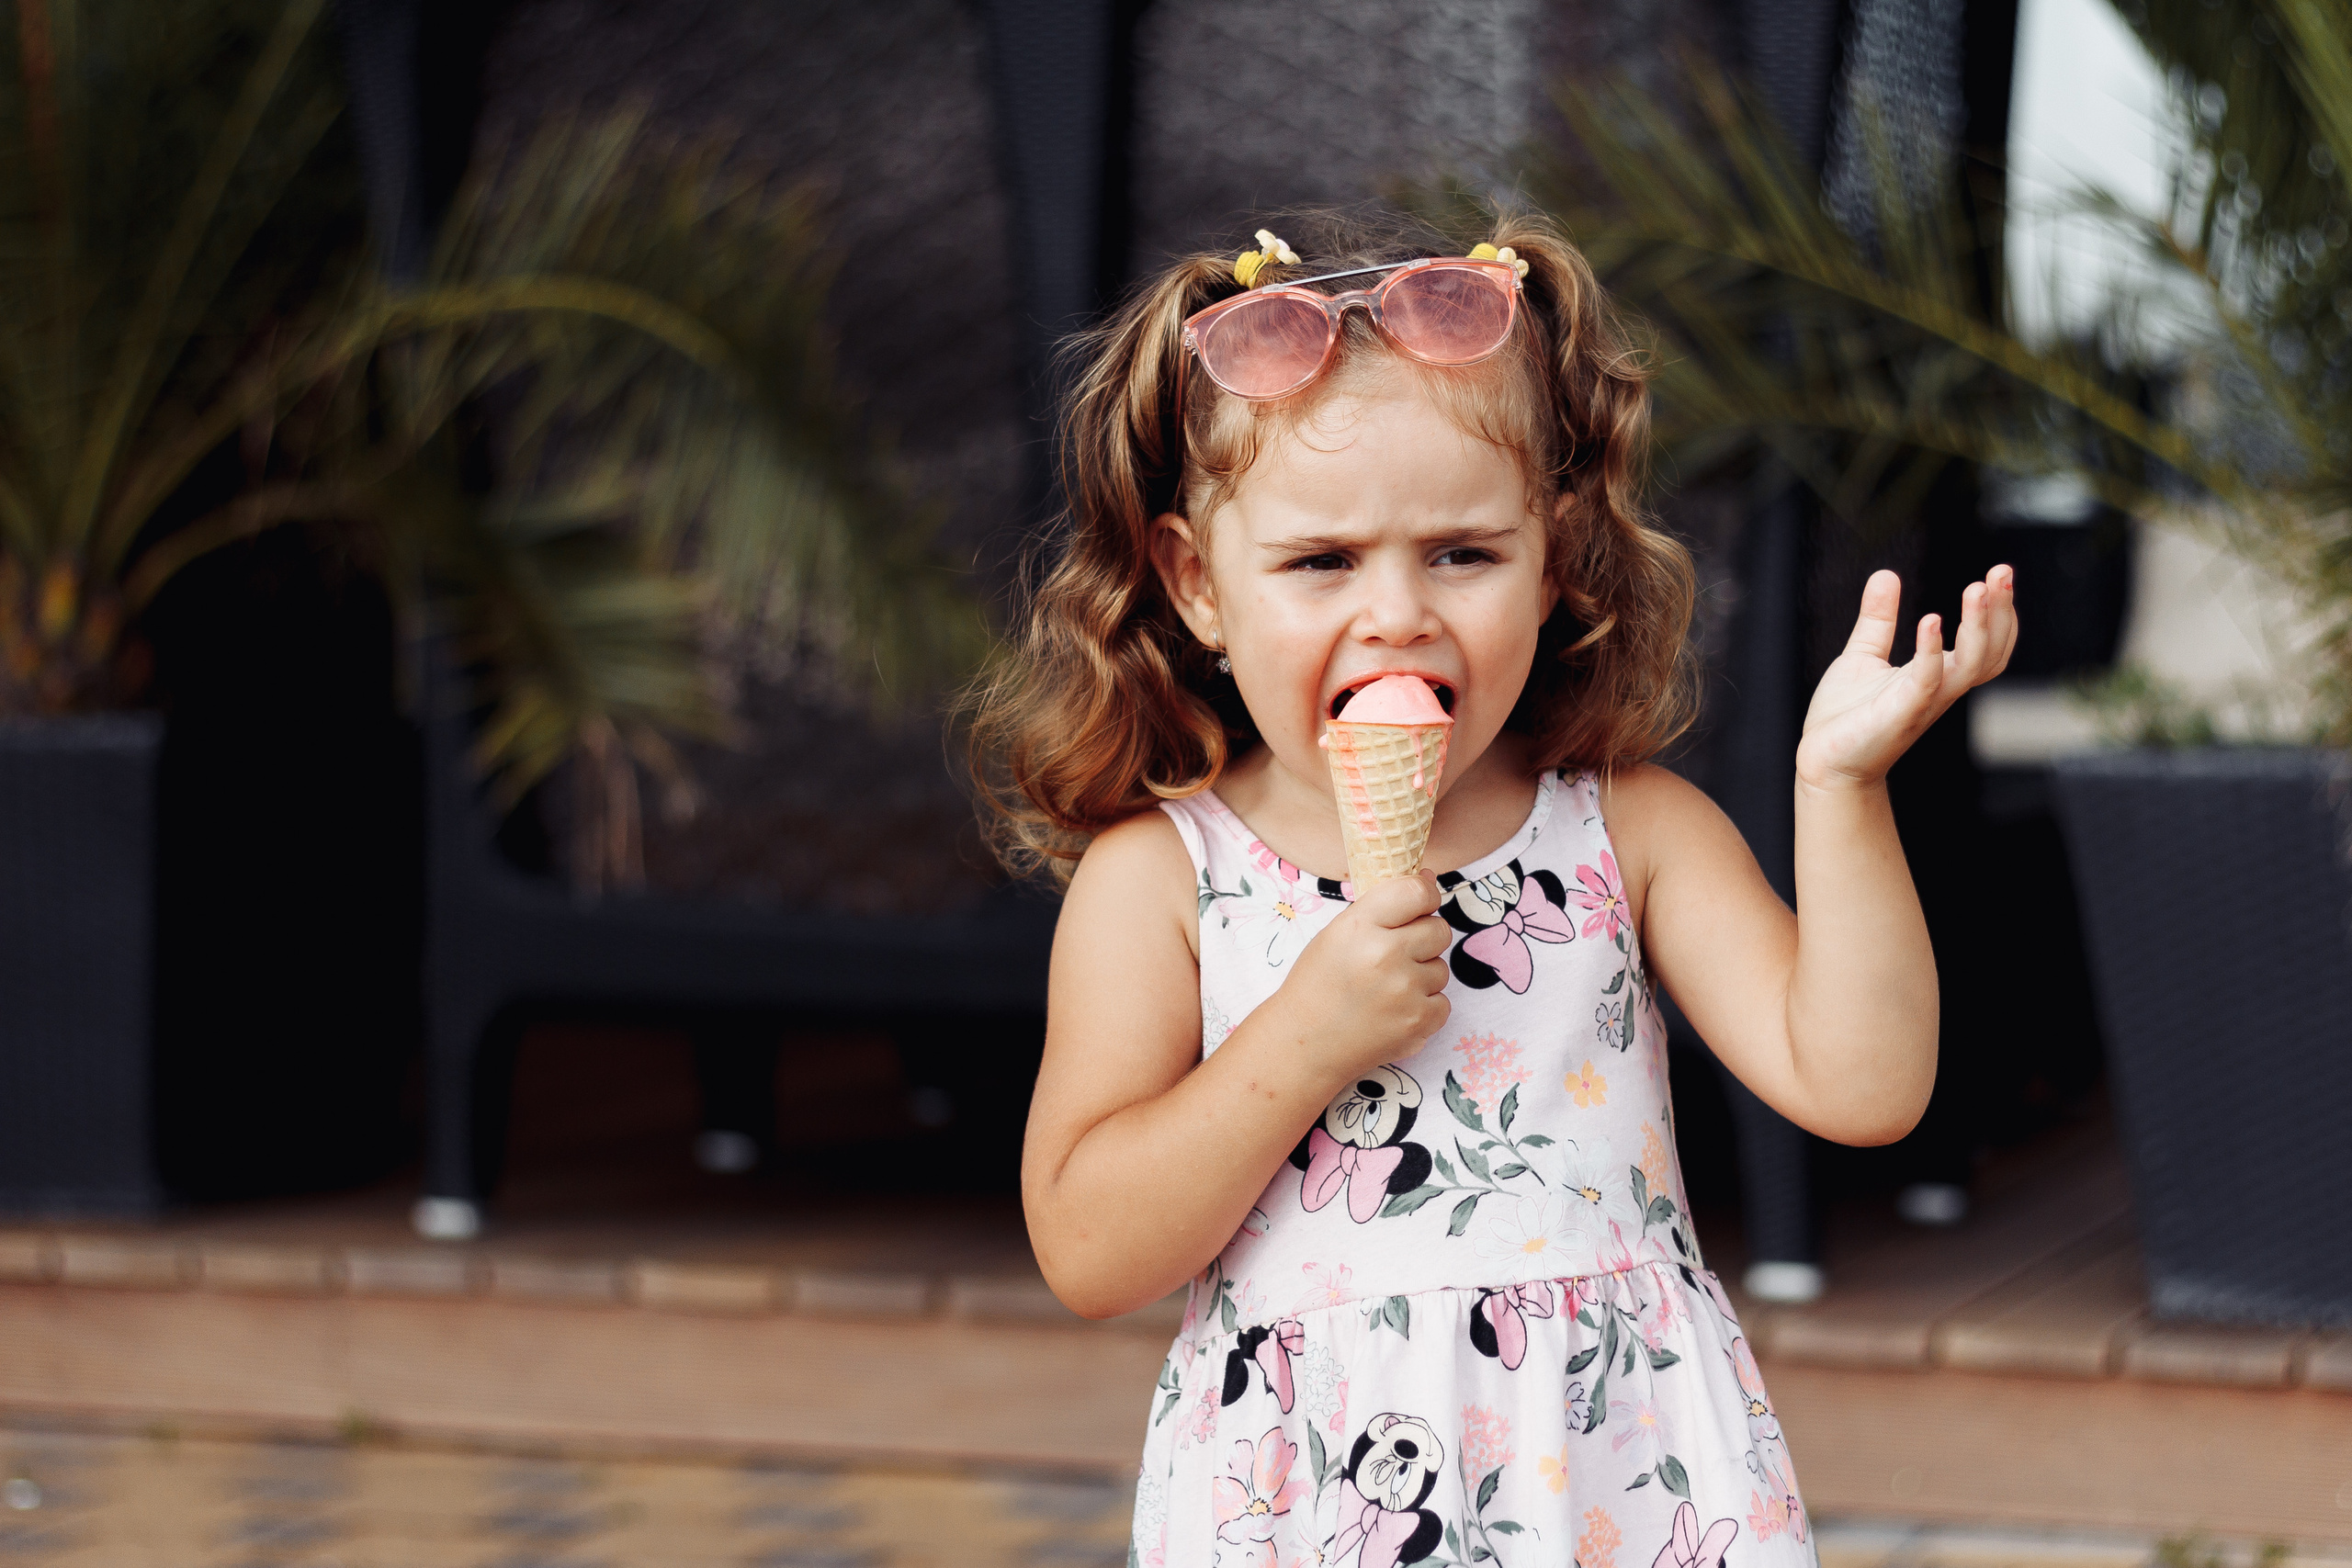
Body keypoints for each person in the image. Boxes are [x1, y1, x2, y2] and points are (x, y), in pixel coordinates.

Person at [968, 209, 2016, 1568]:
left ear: (1555, 559)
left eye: (1463, 553)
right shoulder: (1166, 879)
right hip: (1310, 1494)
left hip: (1619, 1483)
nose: (1399, 613)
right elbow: (1090, 1247)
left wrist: (1842, 789)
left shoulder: (1627, 832)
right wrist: (1304, 1036)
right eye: (1321, 563)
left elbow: (1865, 1085)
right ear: (1197, 584)